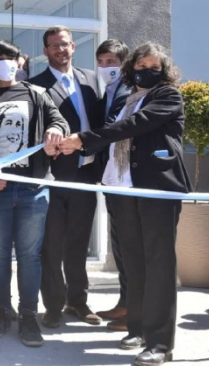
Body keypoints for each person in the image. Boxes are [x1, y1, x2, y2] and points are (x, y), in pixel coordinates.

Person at [59, 42, 191, 366]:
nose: (147, 69)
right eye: (141, 64)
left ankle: (160, 344)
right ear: (132, 67)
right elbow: (122, 127)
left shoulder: (168, 96)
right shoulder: (127, 100)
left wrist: (84, 139)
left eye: (154, 65)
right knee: (133, 264)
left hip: (156, 189)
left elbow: (135, 126)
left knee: (159, 266)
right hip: (122, 188)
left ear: (164, 70)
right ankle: (137, 328)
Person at [0, 40, 68, 347]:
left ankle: (29, 316)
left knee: (30, 257)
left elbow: (59, 121)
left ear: (20, 63)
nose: (7, 63)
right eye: (0, 59)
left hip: (33, 189)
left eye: (12, 58)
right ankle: (1, 312)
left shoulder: (36, 93)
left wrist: (56, 130)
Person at [28, 26, 104, 328]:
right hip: (53, 176)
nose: (60, 50)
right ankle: (54, 306)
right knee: (52, 245)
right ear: (45, 51)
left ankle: (78, 301)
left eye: (65, 44)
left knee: (79, 242)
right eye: (53, 46)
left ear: (73, 46)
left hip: (86, 174)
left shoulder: (92, 80)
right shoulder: (36, 86)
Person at [94, 39, 132, 332]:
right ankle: (125, 302)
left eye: (113, 62)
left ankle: (135, 310)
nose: (107, 67)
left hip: (127, 178)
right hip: (112, 178)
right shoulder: (106, 92)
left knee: (130, 247)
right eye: (103, 62)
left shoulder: (129, 92)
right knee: (119, 243)